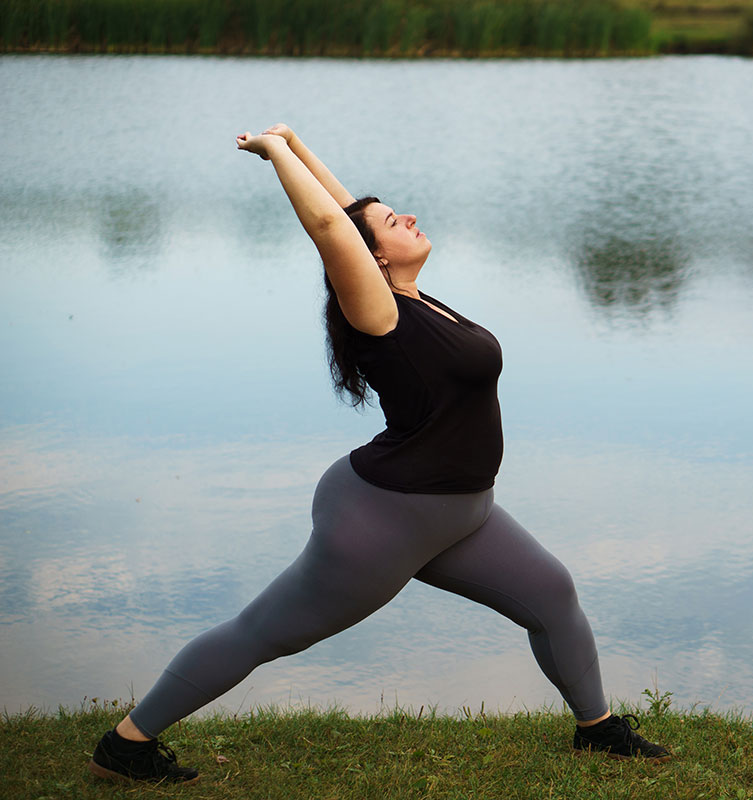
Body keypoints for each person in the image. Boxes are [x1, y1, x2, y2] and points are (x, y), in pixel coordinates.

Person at [87, 124, 670, 785]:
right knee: (265, 632)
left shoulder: (412, 297)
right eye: (395, 221)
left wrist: (297, 141)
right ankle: (126, 743)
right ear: (376, 260)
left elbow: (349, 215)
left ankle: (598, 730)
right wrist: (275, 157)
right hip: (384, 521)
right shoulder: (377, 312)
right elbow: (337, 232)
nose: (410, 217)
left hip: (463, 514)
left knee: (552, 593)